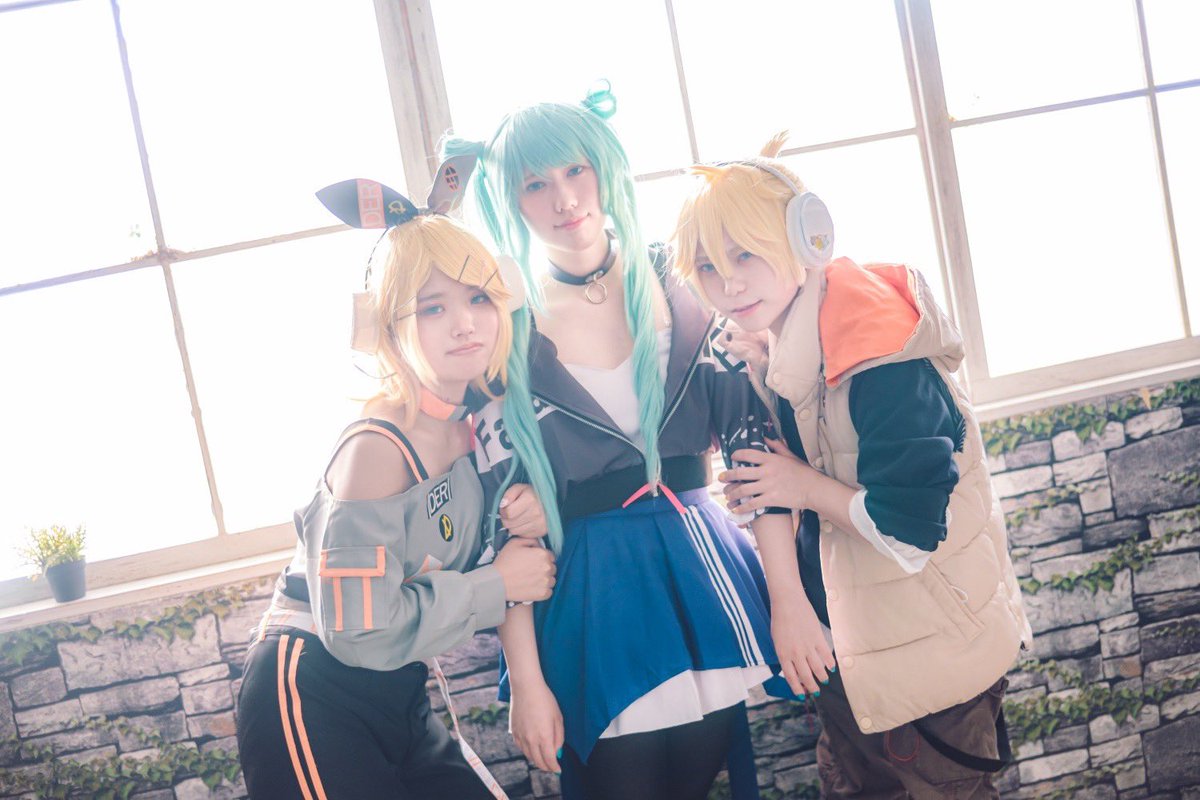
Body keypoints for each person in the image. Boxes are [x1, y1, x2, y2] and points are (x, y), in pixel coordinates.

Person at [442, 86, 832, 800]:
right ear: (510, 202)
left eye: (576, 170)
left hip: (701, 573)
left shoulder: (687, 282)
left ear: (605, 168)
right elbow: (507, 524)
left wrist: (788, 599)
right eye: (535, 184)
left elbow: (752, 453)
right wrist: (526, 679)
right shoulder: (504, 327)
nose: (564, 198)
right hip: (591, 593)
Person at [671, 133, 1032, 799]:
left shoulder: (880, 355)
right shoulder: (787, 339)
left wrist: (798, 485)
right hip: (857, 653)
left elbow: (910, 531)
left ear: (806, 239)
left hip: (932, 665)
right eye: (708, 268)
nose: (729, 283)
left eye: (745, 253)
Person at [235, 160, 557, 800]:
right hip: (313, 687)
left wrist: (523, 509)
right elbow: (359, 629)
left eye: (478, 298)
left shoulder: (476, 423)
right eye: (432, 307)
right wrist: (498, 584)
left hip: (398, 684)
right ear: (390, 327)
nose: (465, 323)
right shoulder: (377, 447)